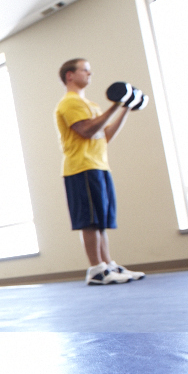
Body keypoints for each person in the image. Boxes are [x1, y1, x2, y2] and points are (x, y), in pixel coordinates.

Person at [55, 58, 146, 285]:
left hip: (99, 165)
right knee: (90, 220)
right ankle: (96, 269)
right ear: (70, 75)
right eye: (85, 70)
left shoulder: (93, 106)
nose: (90, 74)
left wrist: (124, 107)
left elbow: (104, 136)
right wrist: (115, 105)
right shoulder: (68, 103)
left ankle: (107, 265)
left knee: (101, 221)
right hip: (80, 167)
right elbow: (86, 131)